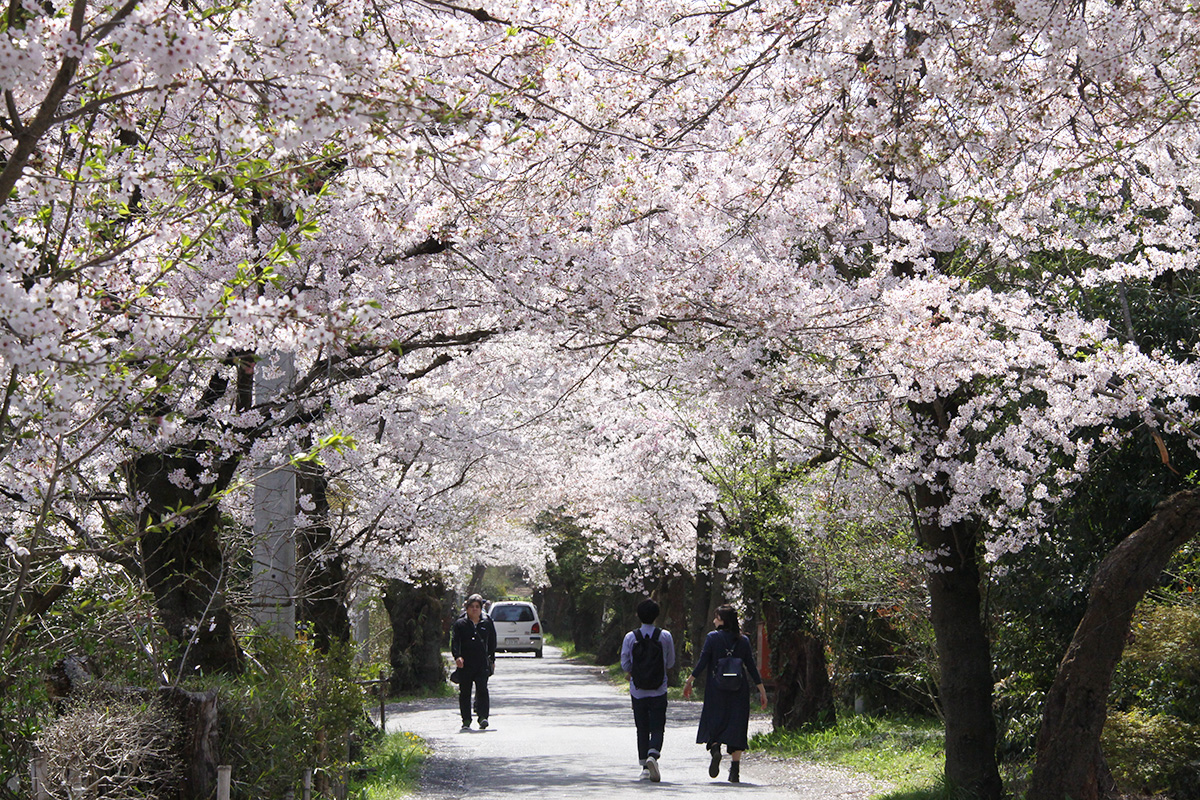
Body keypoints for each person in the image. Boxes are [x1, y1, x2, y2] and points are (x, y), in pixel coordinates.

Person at [682, 605, 768, 783]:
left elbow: (703, 661)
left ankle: (715, 749)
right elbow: (751, 666)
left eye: (716, 617)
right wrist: (762, 690)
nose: (714, 621)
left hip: (717, 688)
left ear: (722, 620)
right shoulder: (743, 640)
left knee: (715, 720)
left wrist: (689, 680)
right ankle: (734, 770)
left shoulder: (712, 638)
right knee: (736, 725)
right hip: (739, 689)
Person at [620, 598, 675, 782]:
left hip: (638, 690)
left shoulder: (630, 637)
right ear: (657, 615)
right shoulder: (665, 636)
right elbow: (671, 662)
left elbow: (625, 663)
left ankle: (644, 766)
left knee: (642, 727)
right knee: (658, 726)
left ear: (638, 615)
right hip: (659, 689)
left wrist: (632, 672)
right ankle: (654, 754)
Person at [450, 593, 496, 731]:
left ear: (481, 608)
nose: (474, 609)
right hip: (465, 664)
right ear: (467, 608)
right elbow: (455, 642)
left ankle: (483, 717)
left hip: (481, 662)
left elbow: (492, 641)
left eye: (477, 607)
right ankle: (466, 720)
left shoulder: (487, 622)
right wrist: (457, 656)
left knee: (482, 690)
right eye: (472, 607)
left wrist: (492, 659)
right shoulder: (460, 624)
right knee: (465, 692)